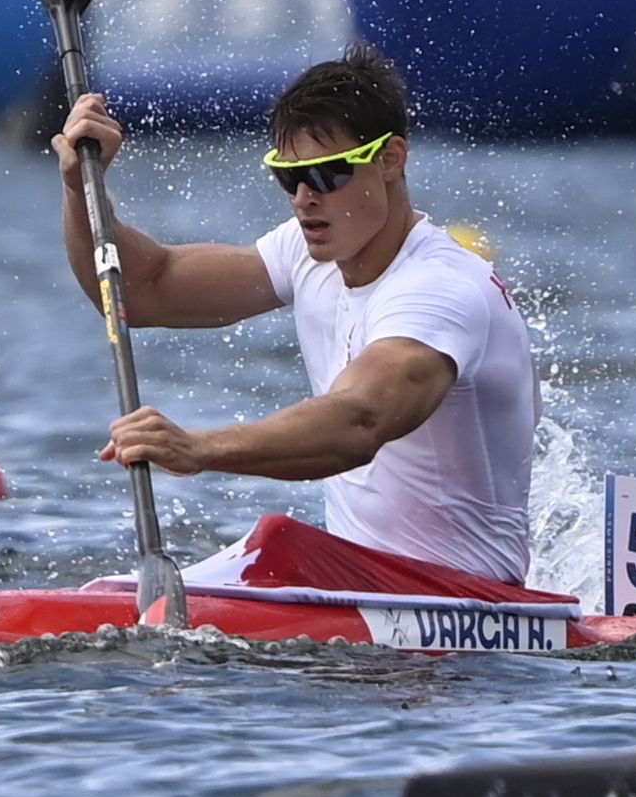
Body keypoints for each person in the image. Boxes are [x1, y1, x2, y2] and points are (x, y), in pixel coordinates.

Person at [54, 43, 540, 584]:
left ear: (391, 159)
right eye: (290, 178)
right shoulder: (307, 252)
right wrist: (81, 187)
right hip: (363, 580)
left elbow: (360, 420)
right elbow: (143, 290)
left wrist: (197, 448)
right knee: (129, 589)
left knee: (276, 541)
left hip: (469, 596)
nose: (304, 198)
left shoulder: (439, 290)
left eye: (328, 175)